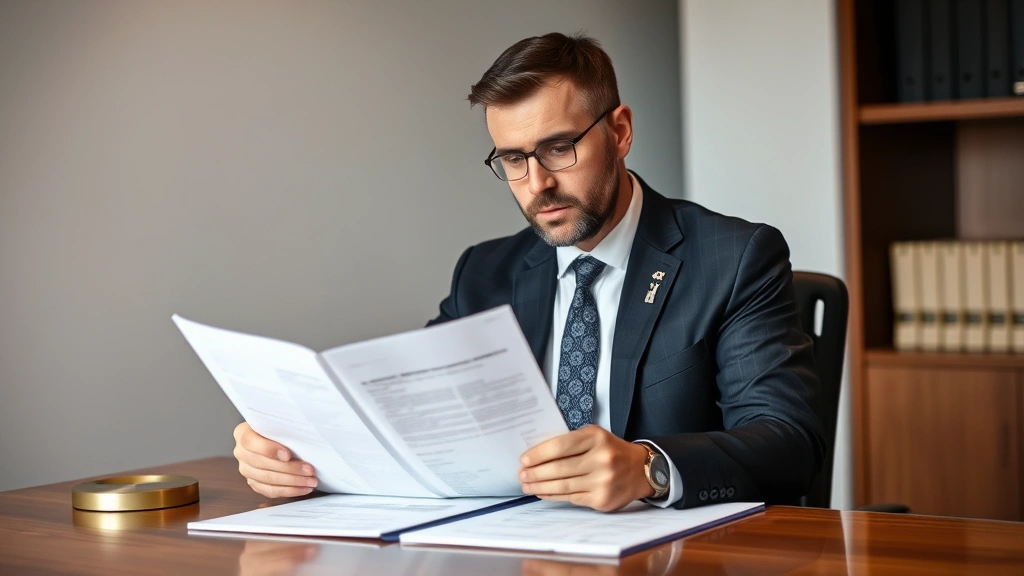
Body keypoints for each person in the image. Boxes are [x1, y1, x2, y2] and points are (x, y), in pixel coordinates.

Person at [232, 32, 824, 512]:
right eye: (513, 160)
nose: (537, 183)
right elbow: (414, 419)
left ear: (619, 132)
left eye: (559, 148)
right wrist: (299, 455)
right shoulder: (484, 272)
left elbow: (787, 442)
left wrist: (648, 466)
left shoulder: (734, 257)